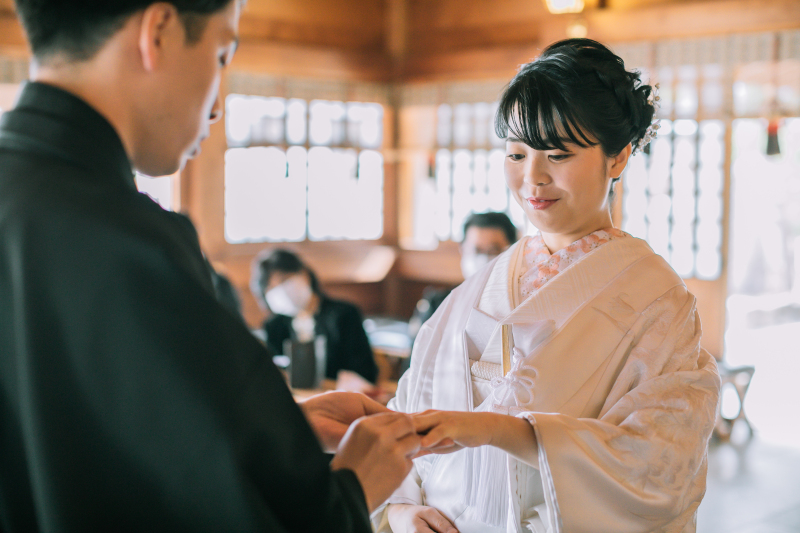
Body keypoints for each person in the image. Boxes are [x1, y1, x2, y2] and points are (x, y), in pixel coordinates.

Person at [0, 1, 420, 530]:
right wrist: (355, 485)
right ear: (159, 31)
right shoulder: (137, 245)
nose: (217, 105)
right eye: (221, 54)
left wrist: (272, 429)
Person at [375, 39, 720, 533]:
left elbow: (660, 462)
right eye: (516, 154)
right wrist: (401, 508)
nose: (532, 178)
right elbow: (410, 406)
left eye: (557, 153)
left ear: (618, 157)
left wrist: (503, 430)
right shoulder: (483, 283)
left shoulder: (657, 299)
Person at [251, 248, 380, 385]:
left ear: (304, 274)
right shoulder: (274, 326)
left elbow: (366, 373)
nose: (280, 291)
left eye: (284, 280)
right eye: (271, 287)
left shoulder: (344, 315)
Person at [408, 212, 518, 340]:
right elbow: (417, 356)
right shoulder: (439, 305)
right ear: (463, 249)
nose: (483, 259)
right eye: (476, 250)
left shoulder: (519, 308)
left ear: (512, 251)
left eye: (493, 251)